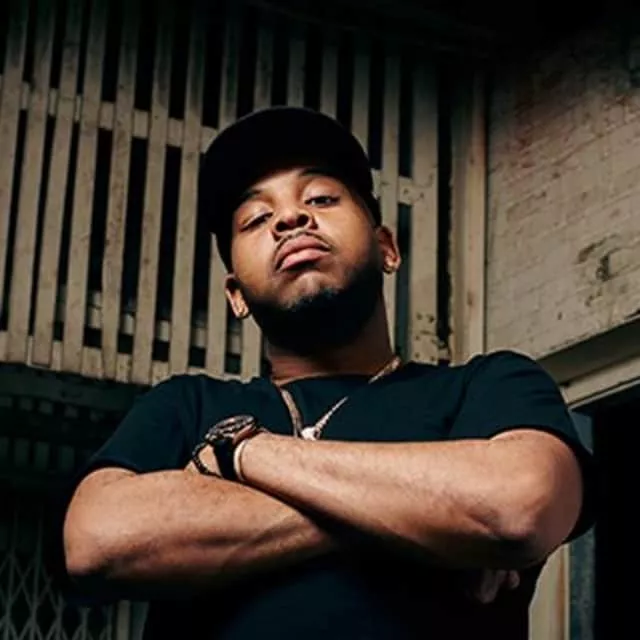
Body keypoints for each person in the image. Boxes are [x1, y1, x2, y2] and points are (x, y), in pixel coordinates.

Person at [61, 107, 594, 639]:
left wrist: (241, 454)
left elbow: (520, 506)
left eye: (320, 199)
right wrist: (436, 517)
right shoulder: (185, 405)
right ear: (236, 296)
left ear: (387, 248)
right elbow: (95, 540)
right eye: (256, 219)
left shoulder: (489, 385)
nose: (290, 219)